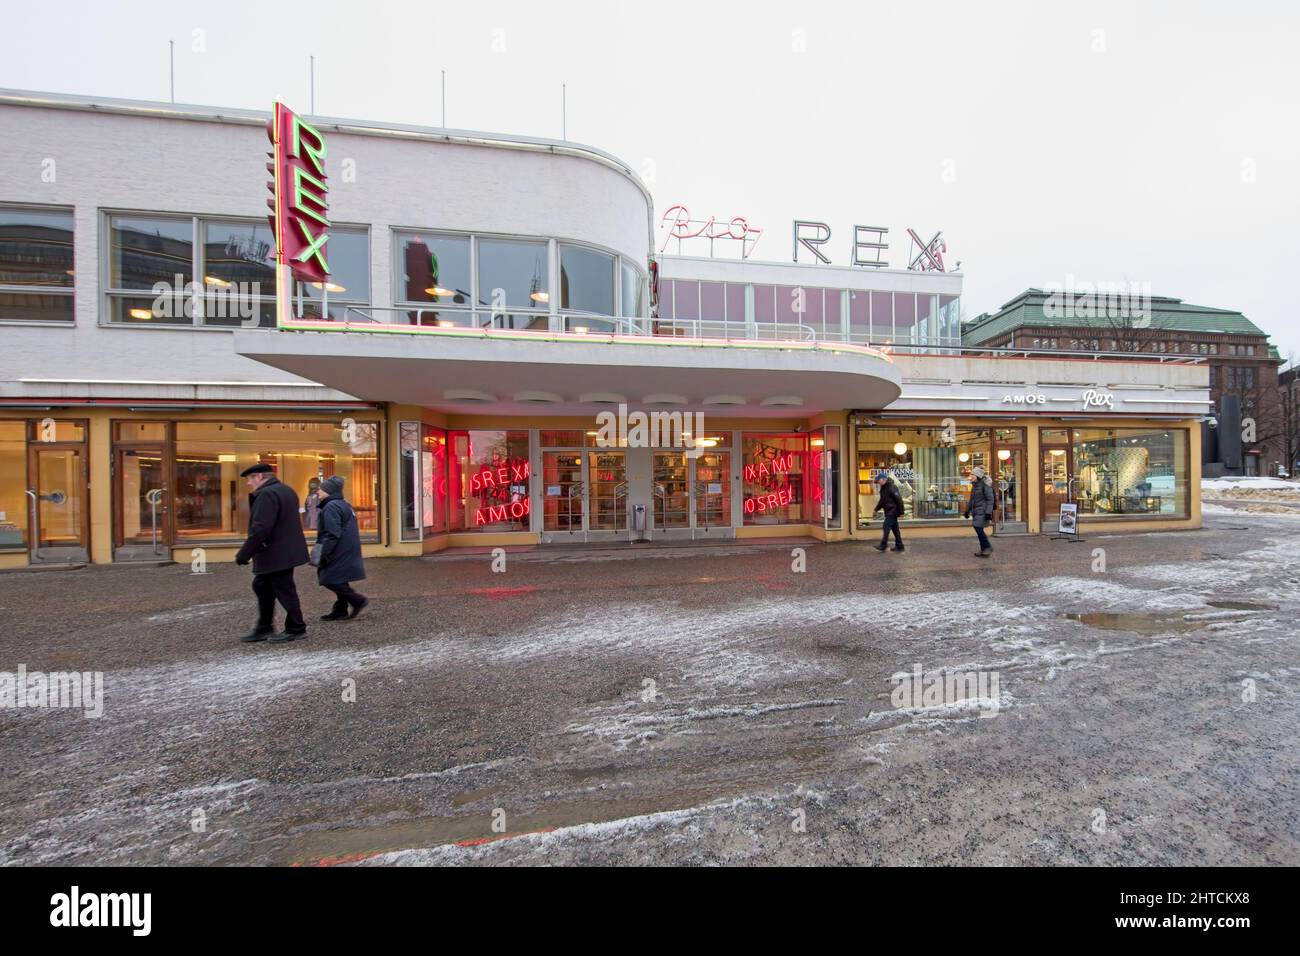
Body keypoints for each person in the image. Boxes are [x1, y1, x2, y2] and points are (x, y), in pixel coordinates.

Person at [234, 463, 309, 643]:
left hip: (274, 552)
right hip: (283, 551)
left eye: (250, 479)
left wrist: (245, 552)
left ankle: (296, 627)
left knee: (284, 590)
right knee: (263, 587)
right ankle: (264, 626)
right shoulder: (286, 490)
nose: (249, 484)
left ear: (259, 477)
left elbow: (261, 528)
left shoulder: (267, 494)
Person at [313, 475, 369, 621]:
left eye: (321, 489)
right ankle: (340, 609)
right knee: (339, 577)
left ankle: (357, 600)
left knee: (329, 578)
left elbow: (332, 533)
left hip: (337, 549)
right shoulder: (344, 504)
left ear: (329, 491)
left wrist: (323, 552)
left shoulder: (331, 506)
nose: (318, 491)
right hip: (346, 548)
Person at [964, 465, 997, 558]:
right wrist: (967, 510)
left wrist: (988, 513)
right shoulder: (974, 486)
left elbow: (990, 500)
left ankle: (987, 547)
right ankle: (984, 549)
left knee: (977, 527)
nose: (971, 476)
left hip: (983, 511)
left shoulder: (985, 485)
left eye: (973, 475)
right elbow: (972, 500)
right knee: (979, 529)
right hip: (976, 510)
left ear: (978, 476)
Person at [871, 472, 905, 552]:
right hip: (889, 511)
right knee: (895, 529)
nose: (878, 482)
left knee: (886, 526)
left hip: (893, 511)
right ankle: (900, 546)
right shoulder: (883, 488)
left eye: (879, 480)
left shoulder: (891, 487)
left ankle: (883, 545)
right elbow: (882, 501)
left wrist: (901, 512)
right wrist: (876, 509)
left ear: (884, 479)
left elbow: (899, 499)